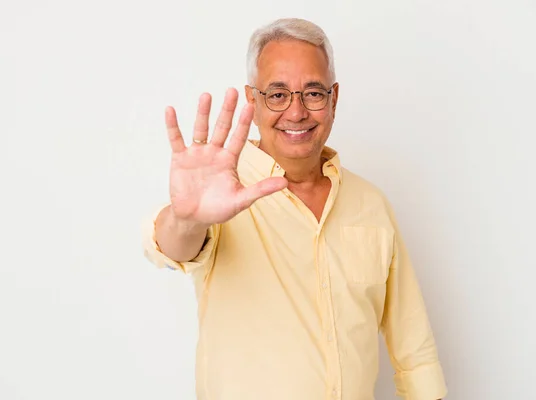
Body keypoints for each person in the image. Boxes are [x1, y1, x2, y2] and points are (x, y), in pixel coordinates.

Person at [142, 17, 447, 400]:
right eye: (277, 94)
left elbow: (412, 345)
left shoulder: (371, 203)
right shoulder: (221, 195)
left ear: (334, 98)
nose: (297, 112)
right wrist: (186, 220)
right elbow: (171, 248)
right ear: (252, 101)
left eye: (313, 93)